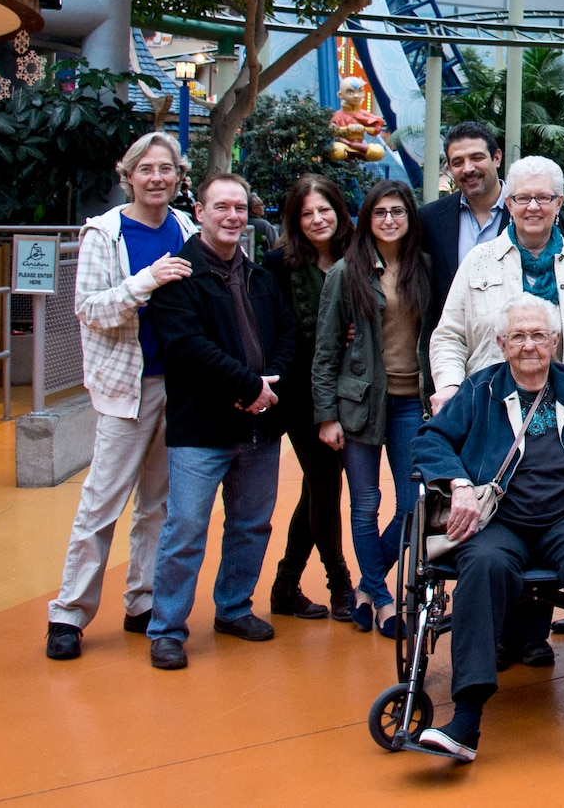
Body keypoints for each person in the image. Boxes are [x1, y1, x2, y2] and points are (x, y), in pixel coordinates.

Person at [410, 297, 564, 760]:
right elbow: (430, 440)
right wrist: (460, 482)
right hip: (500, 520)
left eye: (539, 335)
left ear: (556, 341)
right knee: (482, 564)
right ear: (502, 344)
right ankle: (464, 721)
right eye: (519, 337)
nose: (529, 345)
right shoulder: (478, 390)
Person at [46, 132, 197, 661]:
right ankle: (69, 613)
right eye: (147, 169)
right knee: (102, 503)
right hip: (125, 388)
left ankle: (143, 601)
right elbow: (87, 308)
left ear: (179, 178)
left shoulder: (186, 228)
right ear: (128, 174)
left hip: (177, 388)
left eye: (167, 169)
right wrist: (145, 282)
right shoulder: (103, 234)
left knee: (158, 505)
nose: (157, 178)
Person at [145, 173, 301, 670]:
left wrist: (267, 387)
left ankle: (234, 609)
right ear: (201, 212)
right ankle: (167, 628)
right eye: (222, 208)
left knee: (252, 524)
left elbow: (289, 335)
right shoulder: (176, 276)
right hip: (201, 428)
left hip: (260, 426)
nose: (233, 216)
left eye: (239, 207)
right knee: (186, 527)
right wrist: (247, 387)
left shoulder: (260, 276)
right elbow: (187, 348)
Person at [312, 179, 434, 639]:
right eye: (380, 212)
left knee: (411, 507)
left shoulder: (423, 268)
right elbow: (325, 351)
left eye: (397, 212)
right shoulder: (347, 271)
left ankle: (365, 585)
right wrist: (326, 415)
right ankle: (383, 601)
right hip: (358, 404)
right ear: (367, 219)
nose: (388, 220)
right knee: (365, 504)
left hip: (410, 402)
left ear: (409, 218)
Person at [429, 155, 564, 408]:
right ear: (509, 204)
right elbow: (449, 337)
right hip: (489, 406)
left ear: (559, 203)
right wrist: (449, 387)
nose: (533, 207)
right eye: (523, 198)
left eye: (544, 197)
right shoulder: (478, 261)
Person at [261, 174, 356, 624]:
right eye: (307, 213)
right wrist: (332, 335)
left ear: (338, 211)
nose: (318, 219)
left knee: (313, 489)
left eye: (324, 210)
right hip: (301, 395)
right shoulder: (277, 266)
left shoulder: (357, 256)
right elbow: (275, 333)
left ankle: (284, 586)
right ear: (295, 220)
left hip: (354, 391)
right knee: (324, 483)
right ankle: (339, 584)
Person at [420, 122, 507, 298]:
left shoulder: (533, 213)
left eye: (477, 158)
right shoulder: (430, 219)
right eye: (458, 162)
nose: (468, 169)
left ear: (496, 158)